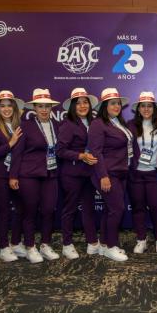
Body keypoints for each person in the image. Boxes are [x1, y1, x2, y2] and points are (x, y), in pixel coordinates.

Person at [9, 88, 60, 263]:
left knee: (48, 210)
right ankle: (30, 247)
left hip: (50, 174)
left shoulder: (57, 126)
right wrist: (13, 176)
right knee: (29, 212)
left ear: (51, 108)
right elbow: (17, 153)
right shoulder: (25, 126)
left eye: (47, 106)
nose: (44, 110)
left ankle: (45, 244)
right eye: (40, 106)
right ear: (34, 108)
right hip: (28, 175)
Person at [88, 88, 133, 262]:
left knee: (109, 209)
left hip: (120, 172)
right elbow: (96, 152)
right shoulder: (98, 124)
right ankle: (111, 246)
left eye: (118, 103)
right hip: (108, 173)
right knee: (117, 209)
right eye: (112, 103)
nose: (116, 106)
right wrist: (103, 176)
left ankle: (105, 244)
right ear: (104, 106)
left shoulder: (118, 122)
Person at [56, 88, 100, 260]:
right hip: (72, 174)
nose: (82, 106)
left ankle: (92, 242)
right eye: (78, 103)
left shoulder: (94, 122)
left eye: (85, 102)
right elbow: (60, 150)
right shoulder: (68, 125)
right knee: (70, 209)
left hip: (89, 172)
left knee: (88, 208)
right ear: (73, 106)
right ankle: (67, 244)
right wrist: (81, 156)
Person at [0, 90, 25, 262]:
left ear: (15, 108)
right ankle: (3, 247)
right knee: (3, 212)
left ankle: (15, 243)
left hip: (16, 175)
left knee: (21, 209)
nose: (6, 109)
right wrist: (10, 143)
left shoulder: (19, 126)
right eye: (3, 106)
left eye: (10, 106)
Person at [126, 92, 157, 254]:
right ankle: (141, 240)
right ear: (138, 109)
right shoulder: (130, 125)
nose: (146, 109)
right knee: (138, 208)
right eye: (143, 106)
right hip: (135, 174)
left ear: (155, 108)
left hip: (154, 174)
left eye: (149, 106)